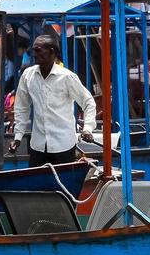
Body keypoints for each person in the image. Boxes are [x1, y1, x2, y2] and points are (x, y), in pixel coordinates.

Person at [9, 35, 96, 166]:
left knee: (64, 185)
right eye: (34, 50)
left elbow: (88, 102)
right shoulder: (28, 75)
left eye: (38, 50)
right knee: (37, 185)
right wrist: (18, 137)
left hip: (63, 145)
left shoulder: (67, 77)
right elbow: (22, 107)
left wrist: (88, 128)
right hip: (38, 146)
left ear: (51, 52)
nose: (34, 54)